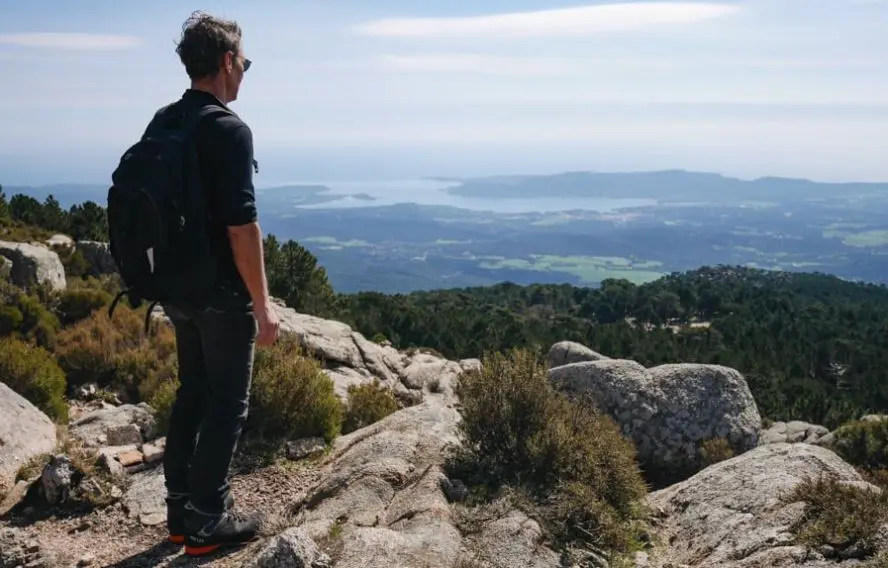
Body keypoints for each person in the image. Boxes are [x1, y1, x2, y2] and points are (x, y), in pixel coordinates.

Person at [146, 10, 281, 556]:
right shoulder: (229, 130)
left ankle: (181, 514)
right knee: (228, 403)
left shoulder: (164, 121)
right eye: (245, 62)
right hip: (220, 292)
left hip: (175, 287)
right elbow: (242, 229)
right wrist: (262, 305)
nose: (245, 71)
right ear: (227, 62)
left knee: (193, 393)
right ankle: (207, 519)